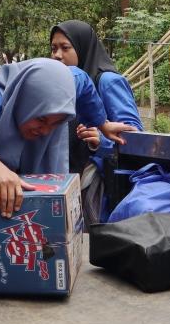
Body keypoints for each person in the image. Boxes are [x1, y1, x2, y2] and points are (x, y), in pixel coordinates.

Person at [0, 58, 136, 218]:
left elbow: (83, 81)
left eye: (56, 123)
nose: (45, 131)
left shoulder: (66, 84)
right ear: (25, 103)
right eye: (41, 119)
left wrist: (103, 124)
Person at [51, 20, 143, 222]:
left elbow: (136, 138)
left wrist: (101, 142)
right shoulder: (63, 86)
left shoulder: (107, 81)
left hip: (101, 188)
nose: (57, 55)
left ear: (83, 47)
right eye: (53, 48)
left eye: (65, 48)